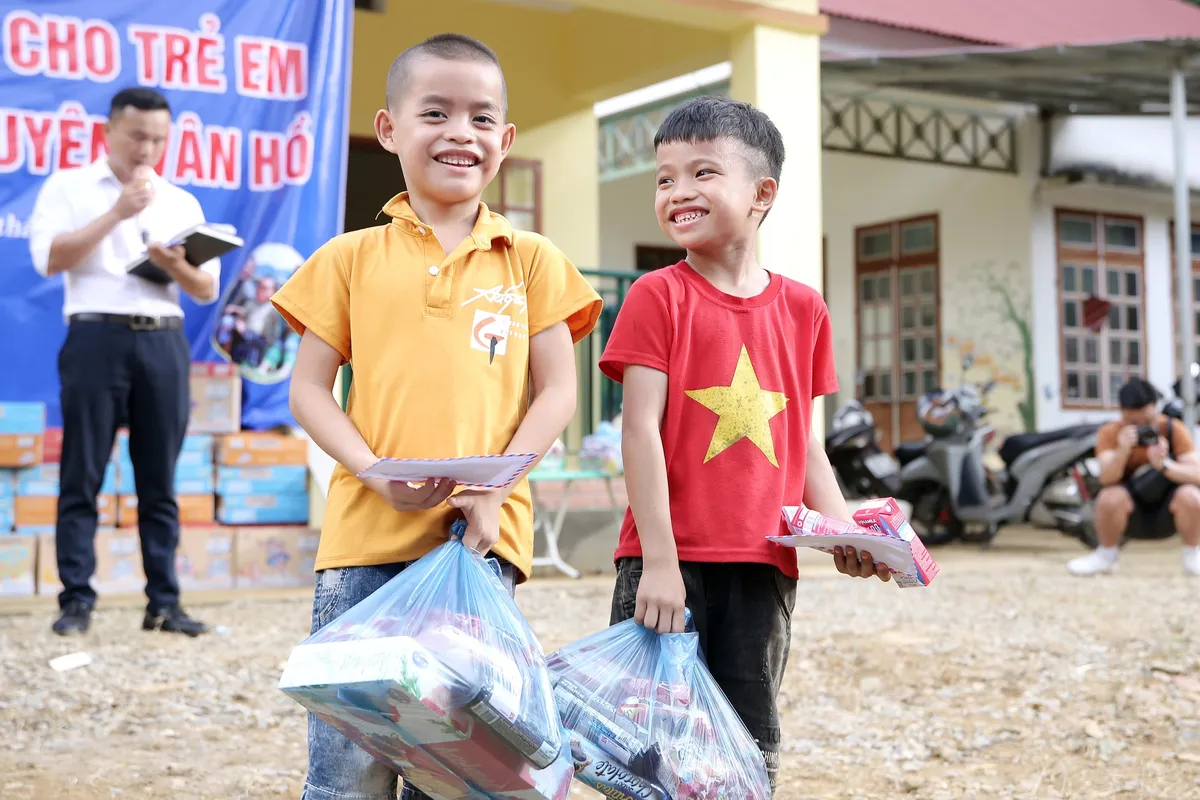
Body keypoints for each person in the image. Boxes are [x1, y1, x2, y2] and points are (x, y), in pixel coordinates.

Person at [270, 33, 602, 800]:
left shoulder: (532, 259)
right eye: (436, 112)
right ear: (389, 129)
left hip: (479, 545)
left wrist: (494, 491)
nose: (461, 133)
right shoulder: (348, 257)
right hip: (362, 543)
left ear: (506, 140)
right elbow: (310, 391)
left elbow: (557, 393)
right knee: (347, 765)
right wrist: (375, 474)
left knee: (455, 765)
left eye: (482, 118)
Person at [597, 95, 892, 794]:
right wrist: (661, 566)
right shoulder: (656, 296)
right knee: (644, 751)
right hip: (669, 565)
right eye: (665, 178)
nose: (678, 192)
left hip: (764, 565)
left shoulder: (803, 309)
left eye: (703, 172)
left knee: (744, 749)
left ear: (763, 194)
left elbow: (803, 443)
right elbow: (638, 431)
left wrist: (844, 530)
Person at [28, 87, 218, 638]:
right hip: (95, 337)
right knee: (81, 473)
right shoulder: (69, 188)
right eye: (137, 136)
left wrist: (173, 265)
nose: (147, 148)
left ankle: (164, 602)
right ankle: (76, 600)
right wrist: (116, 212)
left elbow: (205, 288)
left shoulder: (180, 201)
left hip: (162, 341)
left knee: (159, 478)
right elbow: (49, 259)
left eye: (159, 138)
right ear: (108, 131)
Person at [1067, 376, 1200, 576]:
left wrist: (1165, 465)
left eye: (1147, 423)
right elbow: (1106, 479)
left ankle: (1192, 557)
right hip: (1130, 511)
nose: (1142, 429)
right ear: (1122, 413)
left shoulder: (1173, 429)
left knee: (1190, 495)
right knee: (1109, 496)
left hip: (1168, 511)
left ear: (1155, 407)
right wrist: (1122, 451)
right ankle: (1105, 555)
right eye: (1134, 424)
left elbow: (1197, 474)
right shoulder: (1110, 433)